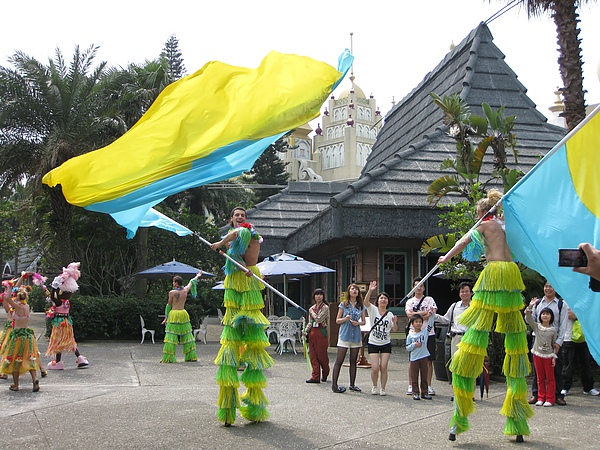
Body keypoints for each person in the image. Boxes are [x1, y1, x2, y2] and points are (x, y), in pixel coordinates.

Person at [438, 189, 532, 443]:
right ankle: (518, 422)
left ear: (482, 212)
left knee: (474, 339)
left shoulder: (484, 226)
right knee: (515, 346)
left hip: (493, 276)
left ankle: (458, 420)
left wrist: (446, 257)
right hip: (511, 276)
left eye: (477, 213)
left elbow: (462, 243)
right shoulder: (505, 224)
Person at [210, 207, 273, 426]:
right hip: (234, 281)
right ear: (231, 218)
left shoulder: (248, 230)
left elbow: (239, 234)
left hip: (248, 280)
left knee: (253, 341)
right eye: (236, 215)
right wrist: (224, 249)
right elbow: (232, 246)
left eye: (242, 215)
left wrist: (219, 244)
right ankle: (227, 412)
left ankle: (255, 407)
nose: (240, 218)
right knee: (230, 337)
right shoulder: (231, 241)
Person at [527, 282, 568, 406]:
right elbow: (532, 320)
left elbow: (563, 325)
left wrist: (558, 343)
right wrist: (529, 308)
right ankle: (537, 394)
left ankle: (557, 396)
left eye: (551, 286)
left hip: (553, 341)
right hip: (538, 339)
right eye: (546, 286)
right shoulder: (538, 303)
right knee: (537, 370)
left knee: (556, 369)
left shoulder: (561, 305)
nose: (548, 288)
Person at [46, 262, 89, 370]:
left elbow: (52, 296)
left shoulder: (59, 302)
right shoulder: (67, 302)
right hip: (67, 322)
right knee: (70, 340)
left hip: (59, 323)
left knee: (58, 341)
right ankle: (80, 358)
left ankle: (58, 362)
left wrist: (54, 288)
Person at [0, 285, 41, 392]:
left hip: (17, 336)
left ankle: (16, 384)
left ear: (17, 297)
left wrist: (9, 286)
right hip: (28, 336)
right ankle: (35, 378)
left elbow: (8, 298)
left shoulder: (17, 307)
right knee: (29, 357)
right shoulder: (27, 306)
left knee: (14, 359)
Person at [330, 283, 366, 394]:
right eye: (352, 289)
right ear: (348, 291)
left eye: (356, 289)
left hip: (356, 335)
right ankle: (334, 385)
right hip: (344, 335)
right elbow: (337, 320)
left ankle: (352, 384)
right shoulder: (343, 305)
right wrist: (345, 318)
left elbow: (364, 321)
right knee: (339, 360)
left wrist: (358, 323)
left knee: (353, 361)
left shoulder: (361, 306)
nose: (354, 291)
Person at [364, 280, 398, 396]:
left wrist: (395, 323)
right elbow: (365, 302)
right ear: (377, 300)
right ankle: (374, 386)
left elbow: (394, 329)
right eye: (381, 298)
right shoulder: (373, 309)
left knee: (383, 367)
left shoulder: (390, 314)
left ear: (388, 301)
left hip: (385, 343)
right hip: (373, 342)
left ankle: (383, 388)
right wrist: (370, 290)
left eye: (385, 298)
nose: (383, 300)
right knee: (374, 368)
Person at [404, 277, 437, 396]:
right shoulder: (410, 301)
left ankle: (428, 386)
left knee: (428, 361)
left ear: (424, 288)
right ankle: (411, 386)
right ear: (413, 287)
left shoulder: (429, 299)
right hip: (414, 334)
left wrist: (416, 314)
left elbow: (432, 313)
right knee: (413, 361)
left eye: (421, 286)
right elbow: (409, 315)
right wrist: (423, 313)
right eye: (417, 286)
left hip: (429, 333)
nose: (419, 288)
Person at [160, 273, 201, 363]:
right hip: (183, 313)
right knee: (187, 335)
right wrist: (198, 275)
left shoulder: (171, 293)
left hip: (174, 314)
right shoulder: (185, 290)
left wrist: (166, 317)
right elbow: (192, 281)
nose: (173, 284)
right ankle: (190, 356)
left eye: (173, 282)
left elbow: (169, 305)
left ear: (176, 283)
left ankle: (169, 357)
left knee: (171, 336)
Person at [560, 301, 599, 397]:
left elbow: (590, 315)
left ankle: (588, 387)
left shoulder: (583, 300)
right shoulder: (565, 301)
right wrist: (581, 315)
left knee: (586, 363)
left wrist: (578, 315)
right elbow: (570, 315)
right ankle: (565, 387)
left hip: (584, 338)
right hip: (568, 337)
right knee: (568, 364)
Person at [524, 304, 557, 407]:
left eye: (547, 314)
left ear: (551, 317)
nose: (545, 316)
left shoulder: (553, 330)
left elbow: (554, 344)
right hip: (537, 355)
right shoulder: (537, 327)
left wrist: (554, 357)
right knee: (539, 378)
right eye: (543, 314)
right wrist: (530, 307)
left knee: (550, 378)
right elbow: (528, 319)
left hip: (548, 356)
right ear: (540, 316)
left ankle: (550, 399)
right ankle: (541, 397)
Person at [435, 281, 473, 359]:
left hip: (470, 338)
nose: (464, 294)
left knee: (469, 362)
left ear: (471, 293)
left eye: (466, 291)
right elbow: (446, 319)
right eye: (462, 292)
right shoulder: (455, 306)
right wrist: (434, 316)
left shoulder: (475, 307)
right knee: (456, 362)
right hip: (456, 337)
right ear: (459, 294)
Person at [304, 288, 330, 384]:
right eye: (316, 294)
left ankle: (325, 372)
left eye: (320, 294)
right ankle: (315, 376)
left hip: (321, 331)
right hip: (312, 332)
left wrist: (312, 312)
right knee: (313, 355)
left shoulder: (325, 308)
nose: (318, 296)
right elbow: (310, 322)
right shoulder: (312, 308)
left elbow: (318, 319)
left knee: (321, 355)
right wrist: (306, 331)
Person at [405, 314, 434, 400]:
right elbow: (407, 347)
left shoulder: (425, 332)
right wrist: (414, 344)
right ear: (412, 324)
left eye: (420, 322)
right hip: (414, 358)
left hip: (424, 356)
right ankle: (415, 392)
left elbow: (431, 324)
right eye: (416, 322)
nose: (418, 324)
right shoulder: (410, 335)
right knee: (414, 375)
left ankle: (424, 392)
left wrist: (432, 314)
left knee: (424, 375)